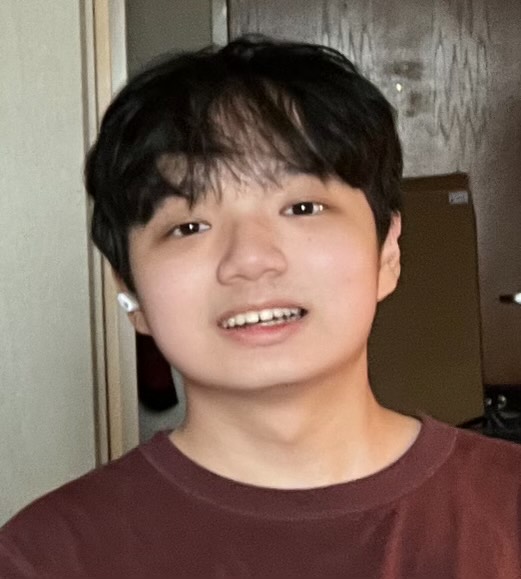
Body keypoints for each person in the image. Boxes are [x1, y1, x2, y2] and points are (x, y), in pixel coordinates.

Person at [1, 36, 520, 578]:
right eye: (189, 226)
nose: (250, 260)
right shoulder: (42, 558)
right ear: (130, 288)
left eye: (302, 207)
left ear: (387, 250)